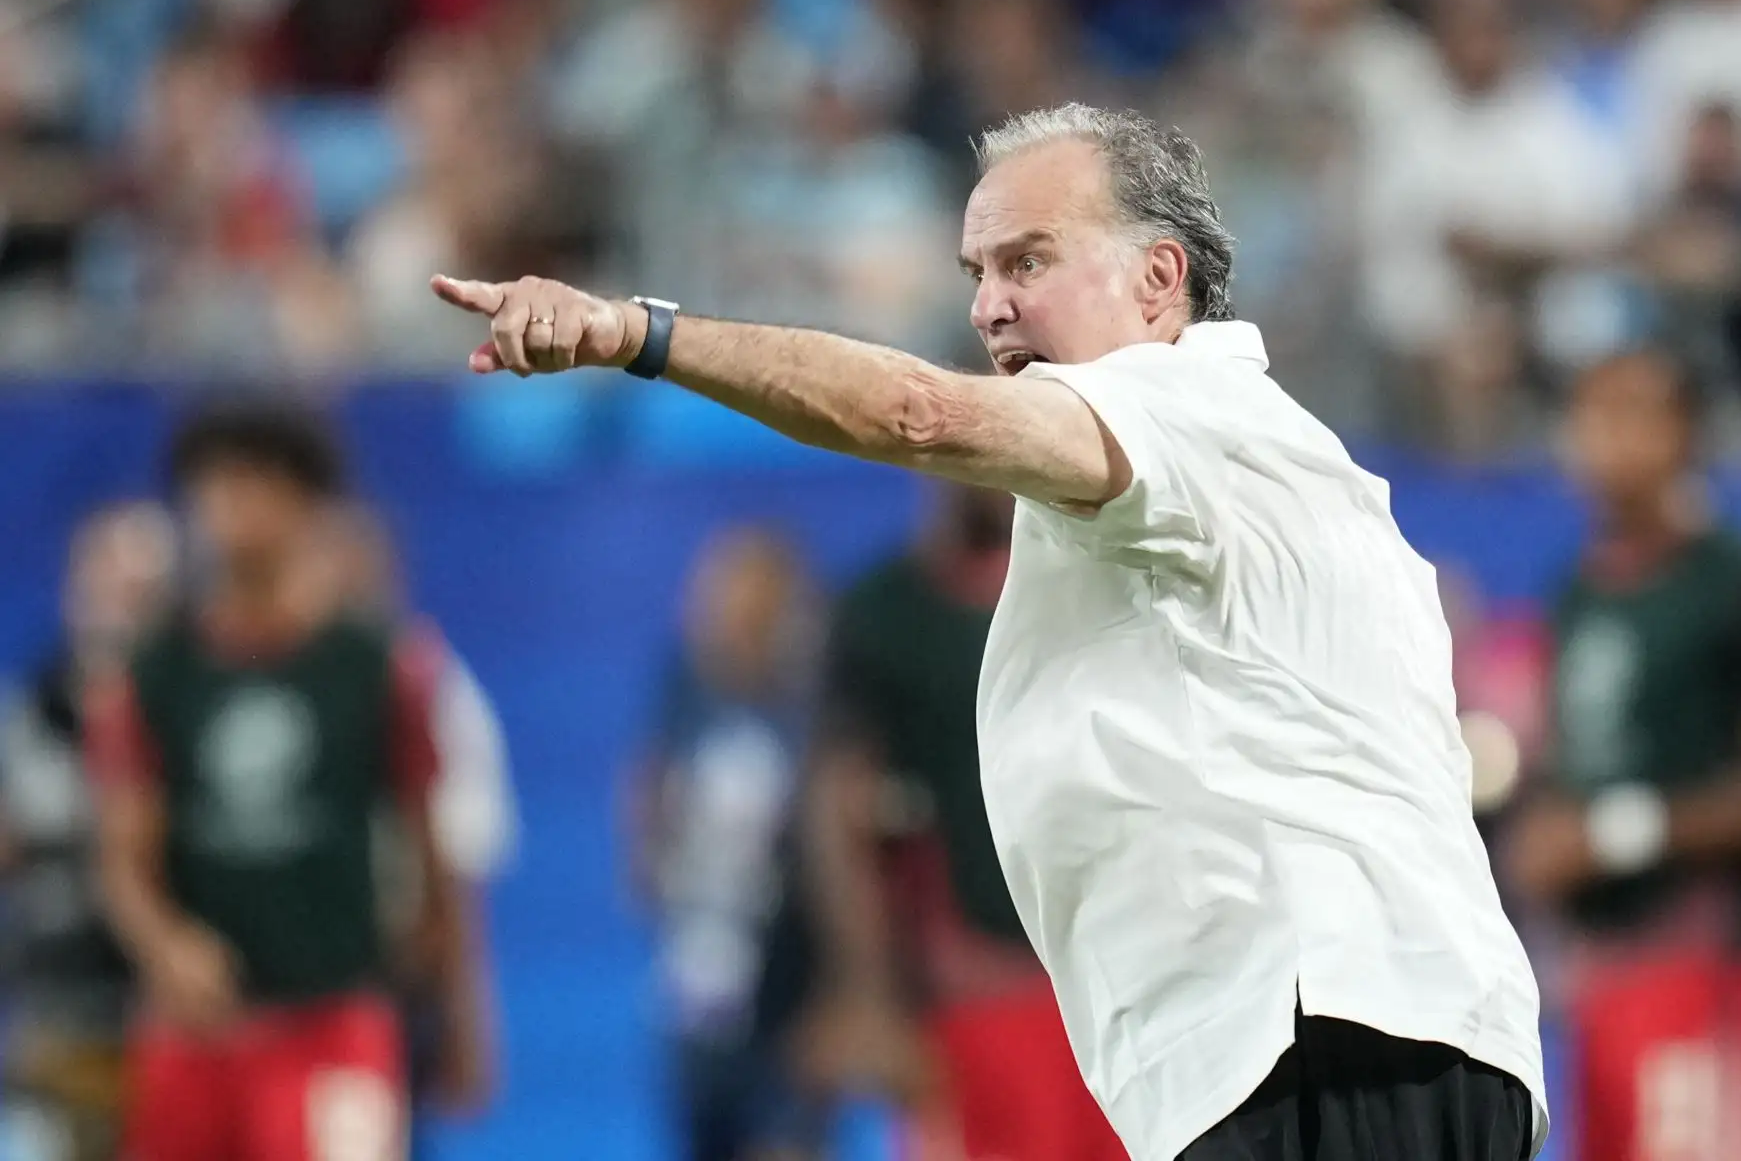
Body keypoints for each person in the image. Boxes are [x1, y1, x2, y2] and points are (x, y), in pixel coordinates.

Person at [431, 101, 1548, 1161]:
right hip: (1387, 1034)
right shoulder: (1284, 465)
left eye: (1029, 261)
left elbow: (920, 413)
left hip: (1316, 1033)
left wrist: (638, 332)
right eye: (977, 272)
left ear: (1159, 281)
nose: (987, 308)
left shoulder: (1176, 412)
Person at [85, 404, 477, 1161]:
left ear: (308, 504)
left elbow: (434, 854)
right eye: (217, 484)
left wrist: (456, 1016)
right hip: (195, 1036)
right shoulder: (153, 674)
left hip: (334, 1019)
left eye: (260, 481)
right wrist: (166, 945)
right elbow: (123, 855)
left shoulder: (377, 668)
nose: (236, 507)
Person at [1503, 348, 1741, 1161]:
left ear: (1685, 434)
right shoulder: (1578, 590)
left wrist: (1612, 834)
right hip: (1602, 979)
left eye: (1629, 415)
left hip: (1709, 967)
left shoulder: (1738, 586)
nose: (1599, 440)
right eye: (1588, 416)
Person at [801, 482, 1124, 1161]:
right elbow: (840, 814)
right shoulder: (885, 617)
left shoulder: (1103, 588)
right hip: (975, 1000)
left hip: (1122, 996)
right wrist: (869, 996)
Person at [632, 525, 823, 1161]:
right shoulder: (684, 693)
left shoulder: (812, 711)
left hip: (788, 1003)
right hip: (700, 995)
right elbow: (649, 795)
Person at [325, 503, 508, 1155]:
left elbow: (459, 871)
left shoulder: (432, 689)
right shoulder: (243, 674)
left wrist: (467, 1019)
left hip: (384, 992)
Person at [0, 501, 177, 1161]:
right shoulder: (27, 718)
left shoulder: (202, 716)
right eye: (107, 585)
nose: (122, 611)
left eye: (144, 593)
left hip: (181, 1031)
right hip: (60, 1028)